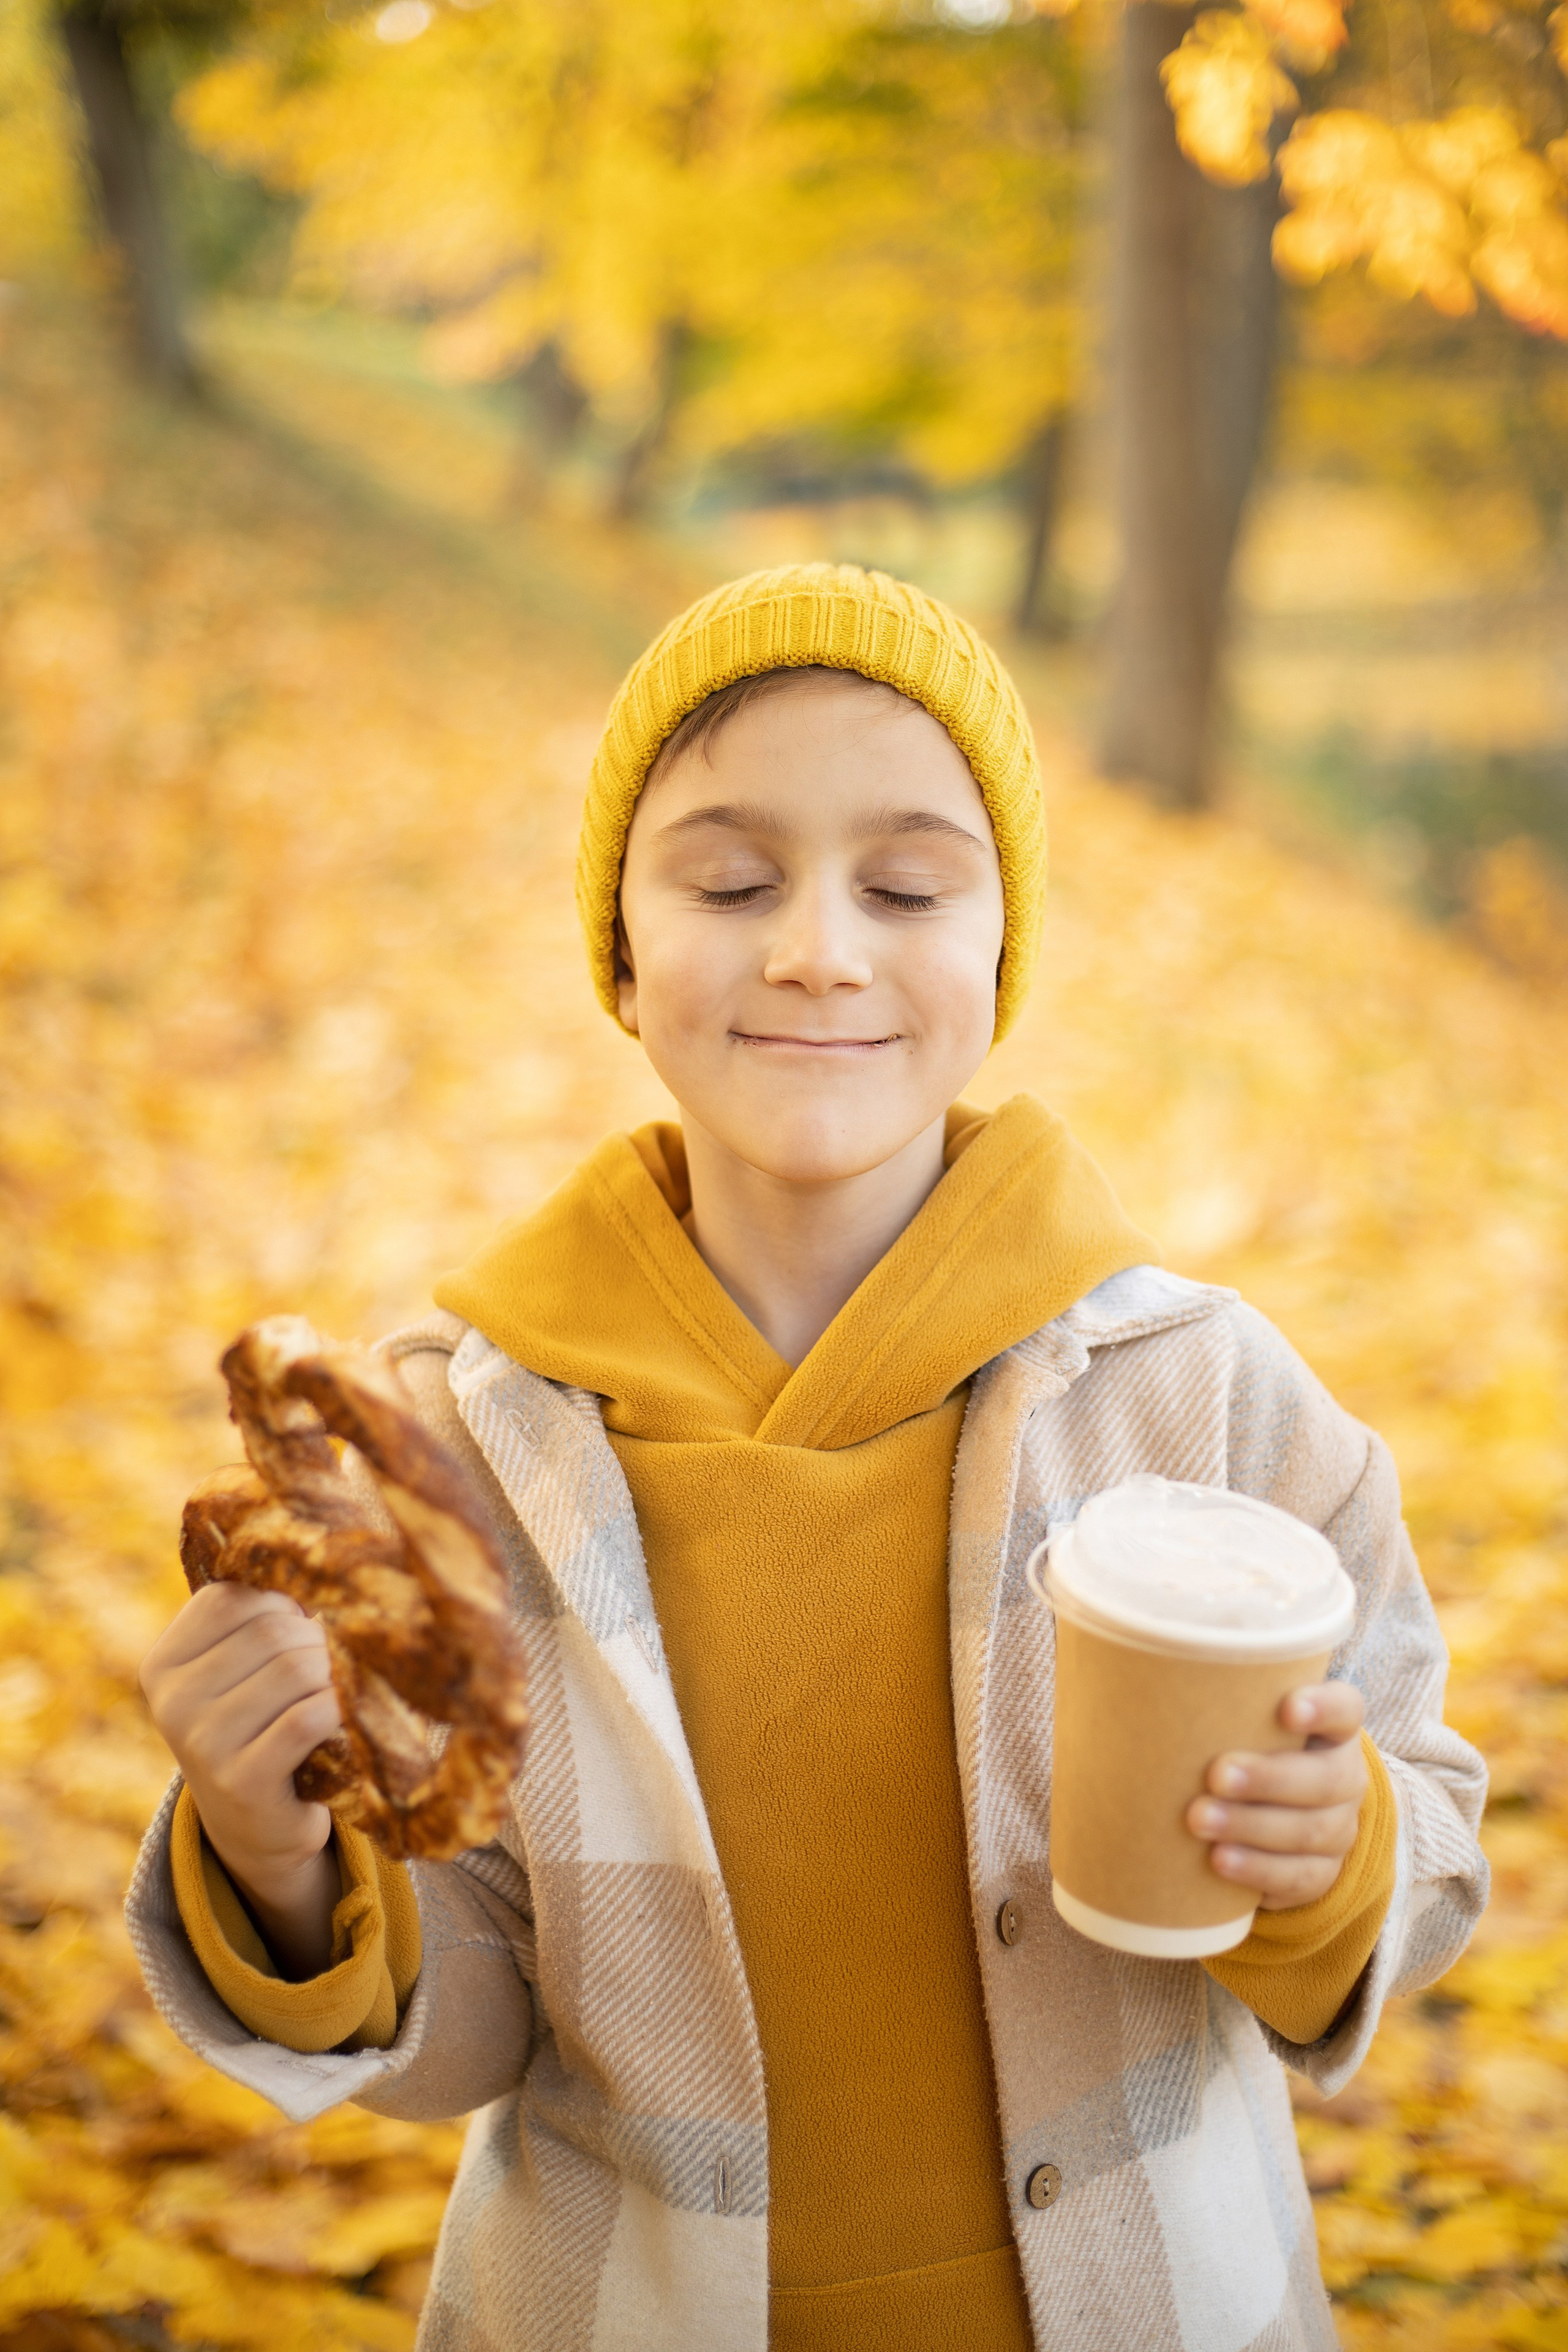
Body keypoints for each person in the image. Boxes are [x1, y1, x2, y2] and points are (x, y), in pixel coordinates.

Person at [129, 565, 1488, 2352]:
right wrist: (274, 1852)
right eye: (731, 880)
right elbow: (463, 2028)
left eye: (908, 885)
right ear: (621, 953)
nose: (820, 949)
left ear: (1001, 952)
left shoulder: (1206, 1403)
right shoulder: (461, 1453)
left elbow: (1427, 1821)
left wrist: (1336, 1854)